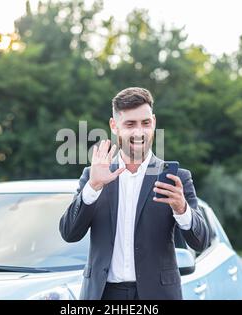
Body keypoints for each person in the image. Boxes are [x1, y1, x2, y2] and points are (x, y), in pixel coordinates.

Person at [59, 87, 210, 300]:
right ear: (115, 126)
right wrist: (92, 188)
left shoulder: (178, 179)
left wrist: (182, 209)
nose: (139, 132)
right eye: (130, 124)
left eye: (145, 123)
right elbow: (69, 233)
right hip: (103, 294)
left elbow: (201, 242)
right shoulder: (93, 175)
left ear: (154, 123)